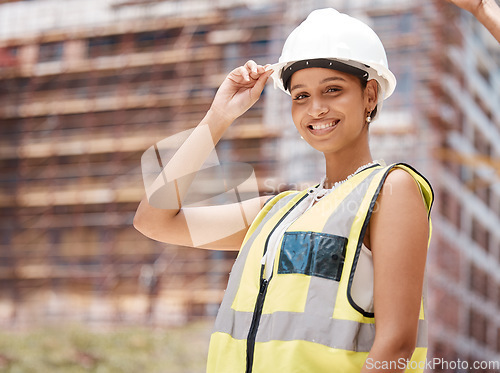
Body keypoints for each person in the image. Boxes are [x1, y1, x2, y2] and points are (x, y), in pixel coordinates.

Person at [134, 8, 434, 373]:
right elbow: (154, 220)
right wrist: (219, 117)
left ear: (369, 95)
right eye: (301, 96)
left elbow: (396, 345)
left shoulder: (390, 189)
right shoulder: (276, 212)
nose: (316, 108)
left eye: (333, 90)